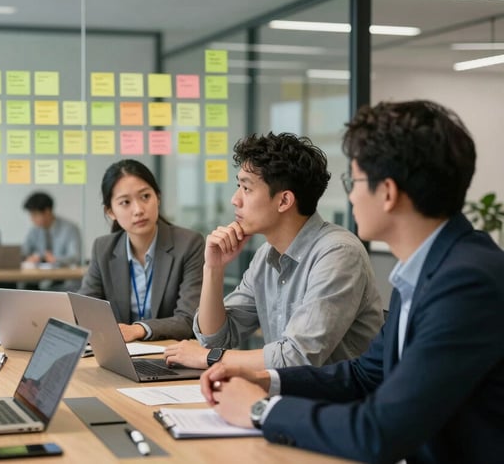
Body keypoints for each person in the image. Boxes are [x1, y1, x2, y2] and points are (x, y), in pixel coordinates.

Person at [200, 101, 504, 464]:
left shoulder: (466, 282)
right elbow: (364, 374)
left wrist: (261, 410)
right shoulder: (428, 269)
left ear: (387, 193)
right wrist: (267, 380)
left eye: (354, 181)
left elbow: (380, 431)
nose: (350, 196)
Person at [164, 132, 383, 370]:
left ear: (284, 201)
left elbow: (298, 357)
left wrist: (208, 358)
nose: (234, 200)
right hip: (286, 394)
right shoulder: (266, 255)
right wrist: (214, 269)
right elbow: (215, 338)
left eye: (246, 188)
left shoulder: (338, 253)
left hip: (337, 402)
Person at [77, 159, 204, 342]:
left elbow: (188, 319)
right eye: (125, 202)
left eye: (145, 197)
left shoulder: (189, 244)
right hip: (120, 357)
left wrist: (138, 330)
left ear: (157, 197)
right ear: (110, 212)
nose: (138, 210)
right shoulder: (103, 248)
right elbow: (86, 311)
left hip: (170, 355)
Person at [22, 191, 82, 290]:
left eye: (35, 215)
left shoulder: (70, 228)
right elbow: (25, 251)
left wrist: (56, 259)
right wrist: (29, 258)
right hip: (40, 278)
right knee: (23, 289)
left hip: (65, 280)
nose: (32, 219)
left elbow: (75, 256)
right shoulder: (35, 230)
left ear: (47, 212)